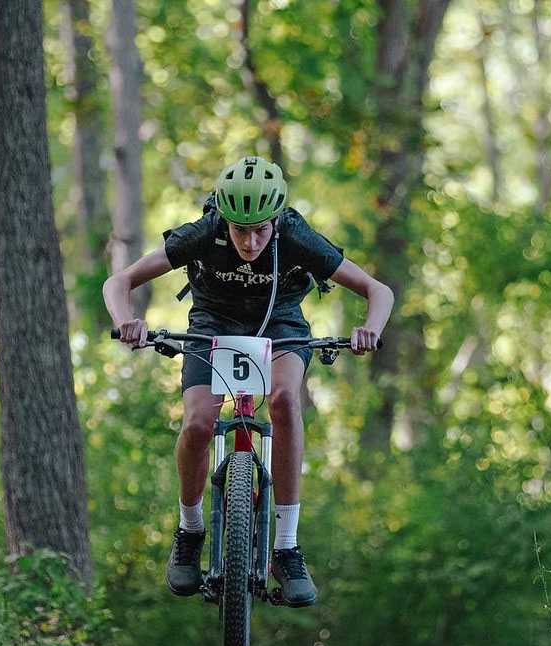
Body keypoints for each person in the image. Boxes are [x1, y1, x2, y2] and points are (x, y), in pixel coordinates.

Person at [103, 156, 393, 607]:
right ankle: (190, 529)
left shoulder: (296, 236)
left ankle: (286, 547)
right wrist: (127, 321)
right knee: (198, 423)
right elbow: (118, 282)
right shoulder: (204, 232)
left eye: (261, 229)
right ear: (224, 218)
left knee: (282, 399)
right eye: (240, 229)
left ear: (277, 219)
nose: (251, 240)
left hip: (279, 324)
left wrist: (369, 328)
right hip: (213, 324)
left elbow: (379, 291)